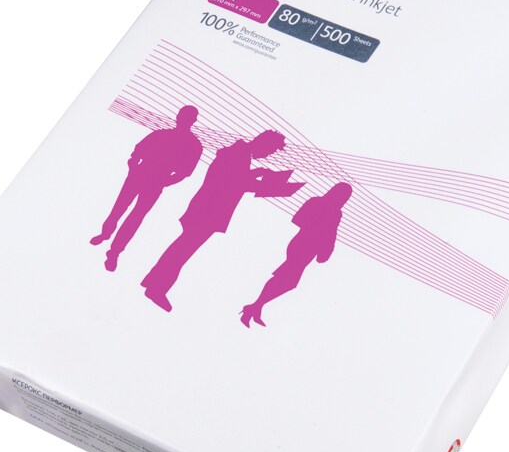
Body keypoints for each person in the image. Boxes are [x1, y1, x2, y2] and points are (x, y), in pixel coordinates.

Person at [141, 130, 294, 312]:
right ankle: (156, 288)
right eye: (270, 150)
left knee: (181, 249)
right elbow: (233, 183)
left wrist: (255, 174)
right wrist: (269, 185)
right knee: (182, 251)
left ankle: (153, 283)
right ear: (263, 144)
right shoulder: (239, 155)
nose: (268, 155)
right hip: (208, 211)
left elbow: (233, 178)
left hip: (206, 210)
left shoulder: (239, 153)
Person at [90, 105, 203, 271]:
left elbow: (185, 172)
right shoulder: (167, 136)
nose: (181, 119)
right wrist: (134, 166)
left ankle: (114, 251)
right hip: (141, 175)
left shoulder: (192, 144)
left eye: (185, 117)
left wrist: (164, 181)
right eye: (181, 115)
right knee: (121, 209)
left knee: (134, 215)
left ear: (192, 120)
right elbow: (138, 151)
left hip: (154, 180)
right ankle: (107, 236)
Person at [240, 182, 352, 328]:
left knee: (288, 281)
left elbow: (331, 234)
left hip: (309, 249)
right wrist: (318, 232)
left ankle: (255, 307)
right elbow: (300, 220)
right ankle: (255, 307)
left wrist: (325, 249)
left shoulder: (335, 212)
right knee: (287, 279)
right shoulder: (318, 203)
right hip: (302, 244)